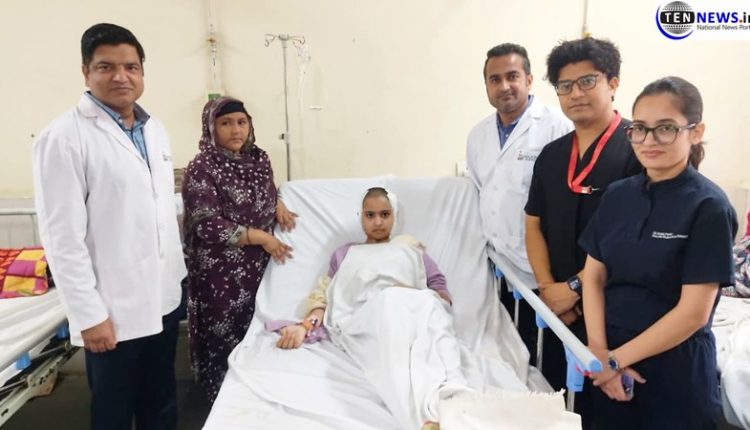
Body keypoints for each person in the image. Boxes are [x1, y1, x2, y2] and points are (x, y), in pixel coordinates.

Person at [270, 187, 528, 430]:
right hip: (370, 315)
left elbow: (437, 286)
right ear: (361, 217)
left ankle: (454, 393)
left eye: (384, 214)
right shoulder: (345, 253)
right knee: (396, 330)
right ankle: (424, 417)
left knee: (436, 334)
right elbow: (328, 295)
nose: (378, 222)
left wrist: (432, 302)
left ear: (394, 216)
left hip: (416, 307)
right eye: (370, 215)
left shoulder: (410, 248)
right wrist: (305, 326)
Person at [32, 23, 186, 430]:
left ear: (142, 73)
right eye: (106, 67)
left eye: (131, 67)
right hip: (111, 310)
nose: (121, 77)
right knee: (114, 412)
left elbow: (156, 208)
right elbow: (61, 239)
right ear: (86, 72)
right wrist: (89, 315)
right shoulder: (63, 138)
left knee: (161, 402)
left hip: (162, 299)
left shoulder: (154, 130)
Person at [579, 76, 738, 429]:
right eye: (639, 128)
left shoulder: (708, 207)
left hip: (674, 372)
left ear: (695, 132)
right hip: (608, 365)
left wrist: (614, 362)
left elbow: (693, 314)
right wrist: (598, 351)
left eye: (665, 128)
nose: (649, 141)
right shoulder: (617, 196)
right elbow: (593, 276)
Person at [523, 37, 641, 425]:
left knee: (610, 415)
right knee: (560, 409)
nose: (575, 93)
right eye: (565, 85)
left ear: (613, 82)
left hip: (616, 313)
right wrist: (548, 289)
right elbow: (533, 224)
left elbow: (633, 242)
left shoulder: (639, 151)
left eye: (587, 81)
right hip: (561, 313)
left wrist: (573, 288)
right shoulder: (552, 156)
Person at [181, 96, 296, 402]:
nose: (236, 130)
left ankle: (256, 396)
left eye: (242, 122)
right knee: (225, 335)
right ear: (211, 128)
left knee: (257, 330)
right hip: (220, 273)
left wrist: (277, 202)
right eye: (226, 123)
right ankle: (224, 402)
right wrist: (261, 237)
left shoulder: (259, 159)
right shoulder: (202, 167)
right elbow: (206, 223)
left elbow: (264, 192)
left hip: (258, 268)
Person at [466, 43, 571, 356]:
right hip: (499, 267)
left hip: (544, 270)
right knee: (510, 352)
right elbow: (483, 191)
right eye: (494, 79)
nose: (504, 86)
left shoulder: (556, 128)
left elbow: (563, 206)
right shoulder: (478, 136)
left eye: (512, 76)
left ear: (529, 79)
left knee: (549, 356)